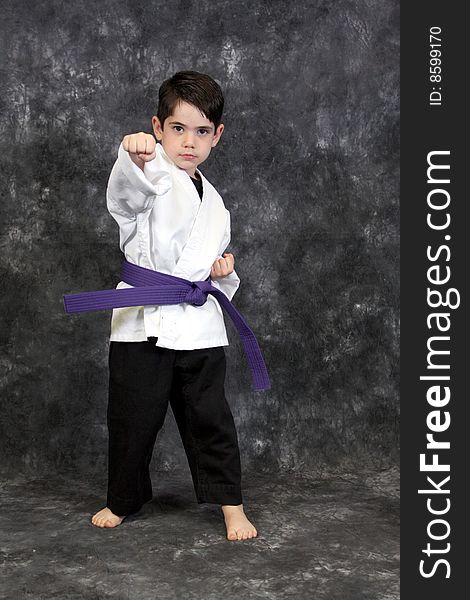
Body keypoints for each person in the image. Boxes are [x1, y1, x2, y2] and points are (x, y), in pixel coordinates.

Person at [90, 71, 258, 541]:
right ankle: (121, 499)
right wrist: (134, 154)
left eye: (201, 131)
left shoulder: (218, 205)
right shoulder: (148, 171)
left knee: (212, 419)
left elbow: (212, 272)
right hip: (142, 319)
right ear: (158, 127)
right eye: (177, 129)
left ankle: (231, 505)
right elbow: (124, 200)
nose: (188, 141)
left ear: (216, 136)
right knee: (133, 416)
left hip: (198, 323)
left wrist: (223, 275)